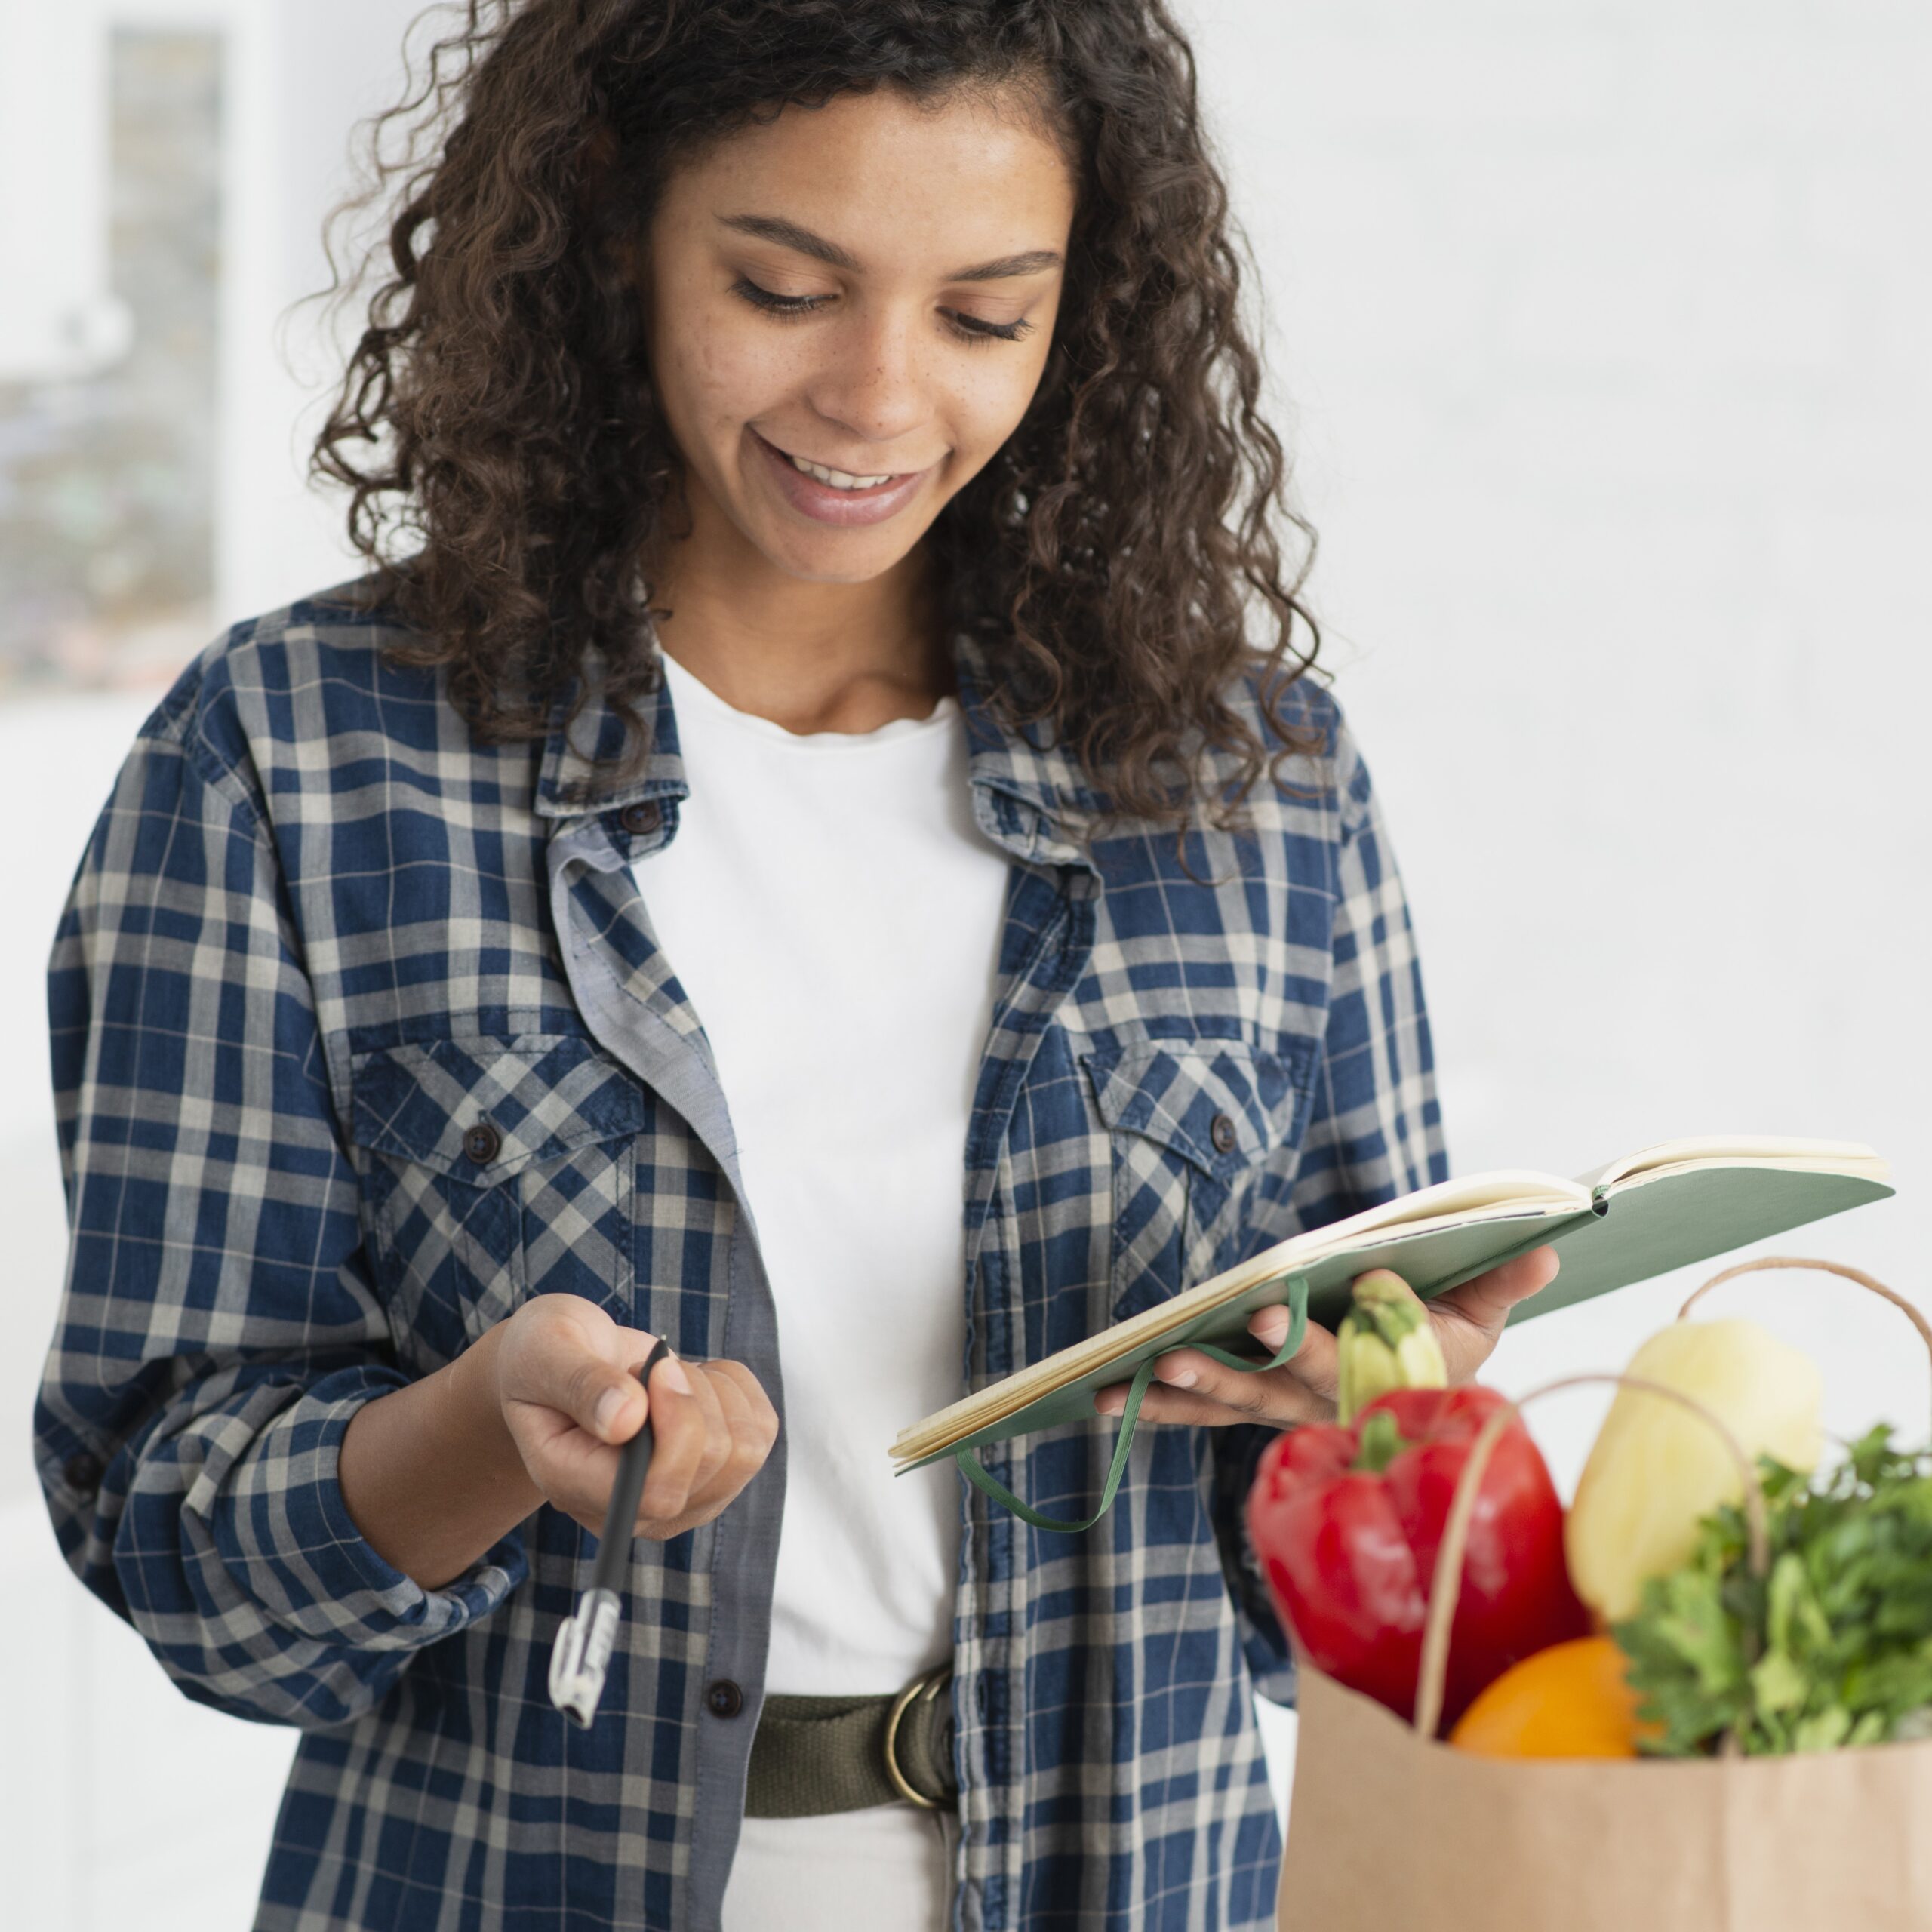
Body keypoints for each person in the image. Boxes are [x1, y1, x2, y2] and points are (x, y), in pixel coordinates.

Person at [33, 4, 1558, 1928]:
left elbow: (1327, 1628)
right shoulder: (300, 756)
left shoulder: (1254, 786)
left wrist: (1374, 1426)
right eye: (783, 286)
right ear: (612, 224)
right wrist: (480, 1429)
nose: (876, 398)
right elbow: (181, 1550)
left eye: (982, 315)